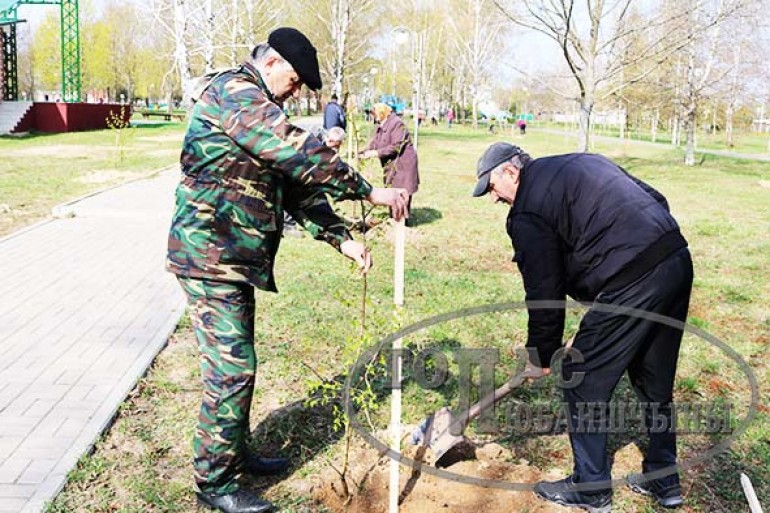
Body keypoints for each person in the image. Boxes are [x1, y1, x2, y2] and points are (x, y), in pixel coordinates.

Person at [167, 27, 409, 513]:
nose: (296, 91)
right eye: (295, 80)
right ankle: (213, 483)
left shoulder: (260, 107)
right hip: (210, 255)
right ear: (272, 63)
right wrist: (369, 191)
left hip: (234, 259)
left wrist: (342, 240)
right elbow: (297, 151)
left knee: (240, 366)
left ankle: (233, 452)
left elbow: (296, 187)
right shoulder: (236, 94)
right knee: (232, 371)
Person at [472, 143, 692, 513]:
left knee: (580, 373)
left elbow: (544, 292)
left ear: (510, 173)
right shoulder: (581, 160)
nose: (494, 198)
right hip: (674, 258)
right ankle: (664, 479)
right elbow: (656, 198)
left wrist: (541, 355)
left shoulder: (526, 210)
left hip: (631, 278)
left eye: (492, 188)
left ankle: (591, 488)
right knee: (653, 379)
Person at [360, 103, 420, 224]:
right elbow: (374, 143)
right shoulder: (381, 125)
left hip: (403, 163)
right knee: (391, 189)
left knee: (402, 190)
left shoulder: (397, 124)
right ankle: (393, 219)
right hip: (391, 164)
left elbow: (396, 147)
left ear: (382, 113)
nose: (373, 116)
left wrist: (375, 153)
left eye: (374, 114)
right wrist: (361, 152)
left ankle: (402, 222)